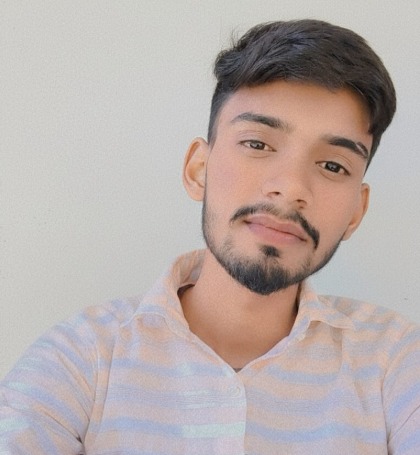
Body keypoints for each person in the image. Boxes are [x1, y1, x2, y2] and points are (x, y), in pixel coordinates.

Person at [1, 19, 419, 454]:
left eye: (333, 166)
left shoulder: (393, 359)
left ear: (356, 212)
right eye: (258, 144)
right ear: (198, 170)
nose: (291, 187)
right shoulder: (81, 356)